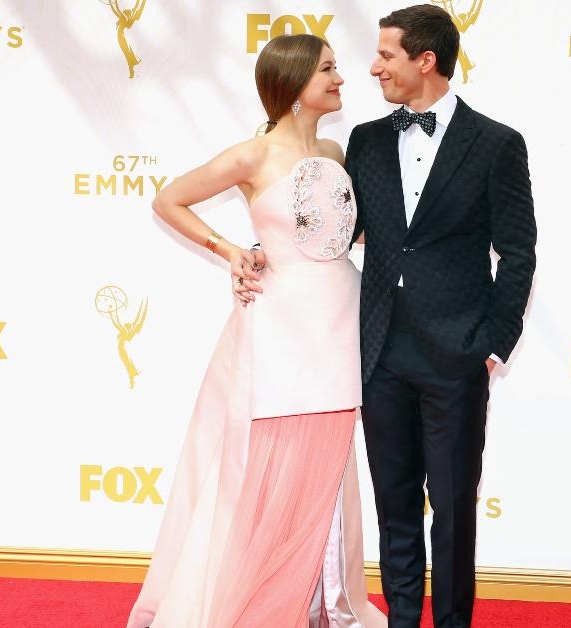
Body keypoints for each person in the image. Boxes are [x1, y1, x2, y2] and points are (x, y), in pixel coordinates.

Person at [238, 5, 537, 626]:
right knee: (395, 505)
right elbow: (336, 230)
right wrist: (264, 251)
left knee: (453, 508)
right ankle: (402, 619)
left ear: (425, 61)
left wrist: (492, 342)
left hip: (456, 353)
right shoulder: (367, 142)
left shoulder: (497, 144)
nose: (371, 69)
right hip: (376, 351)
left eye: (386, 56)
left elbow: (518, 251)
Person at [126, 34, 386, 628]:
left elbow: (345, 234)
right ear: (294, 85)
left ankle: (326, 599)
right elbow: (170, 200)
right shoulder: (254, 154)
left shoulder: (339, 154)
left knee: (331, 456)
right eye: (327, 69)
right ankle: (264, 596)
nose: (341, 77)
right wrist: (230, 251)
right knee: (268, 458)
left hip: (340, 316)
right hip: (280, 323)